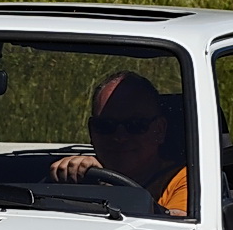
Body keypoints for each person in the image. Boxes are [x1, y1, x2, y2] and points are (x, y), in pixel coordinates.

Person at [49, 71, 188, 216]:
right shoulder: (73, 177)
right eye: (106, 126)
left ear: (159, 130)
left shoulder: (184, 180)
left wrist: (104, 188)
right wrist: (72, 176)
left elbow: (175, 225)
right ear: (92, 131)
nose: (120, 137)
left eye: (135, 125)